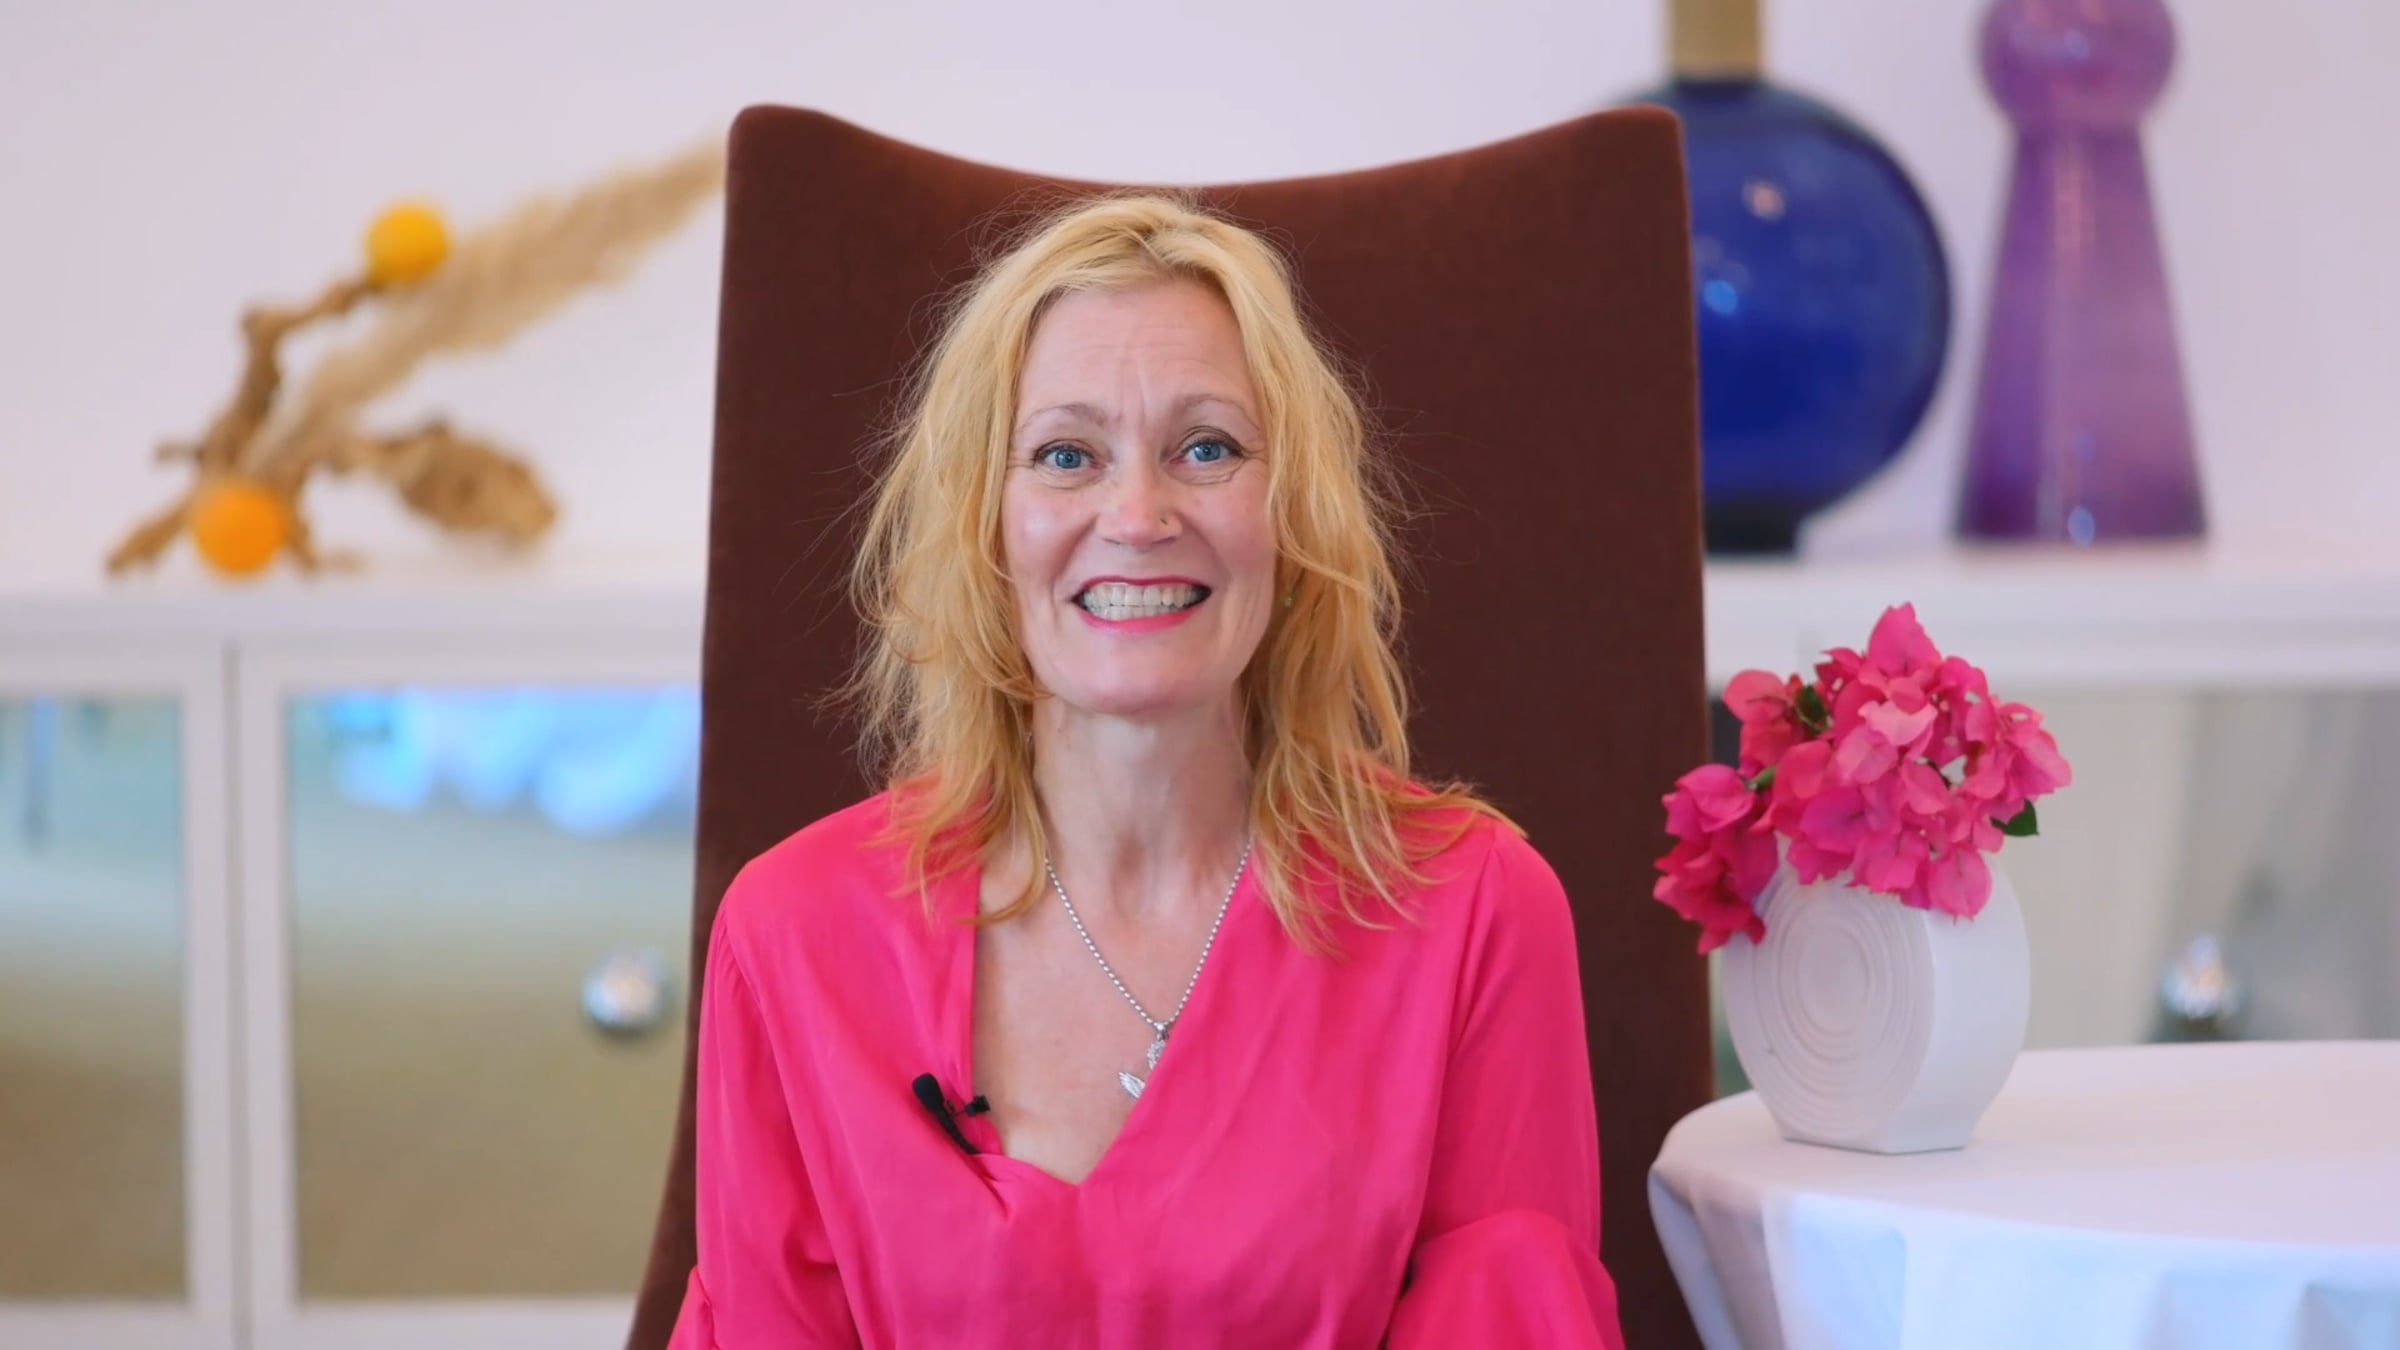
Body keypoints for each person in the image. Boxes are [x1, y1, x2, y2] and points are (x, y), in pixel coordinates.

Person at [668, 193, 1624, 1348]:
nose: (1136, 514)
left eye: (1206, 448)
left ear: (1292, 511)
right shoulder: (791, 932)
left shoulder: (1472, 911)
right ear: (984, 525)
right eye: (1066, 455)